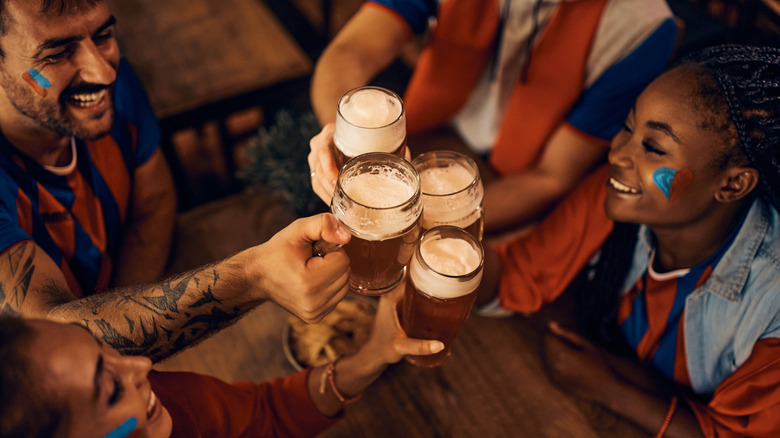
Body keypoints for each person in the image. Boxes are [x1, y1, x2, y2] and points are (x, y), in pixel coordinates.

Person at [0, 0, 353, 362]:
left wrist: (122, 313)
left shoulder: (110, 90)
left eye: (104, 34)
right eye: (57, 54)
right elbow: (54, 340)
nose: (103, 73)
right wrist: (252, 277)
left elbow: (154, 204)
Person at [495, 44, 780, 437]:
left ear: (732, 184)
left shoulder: (772, 303)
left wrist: (609, 389)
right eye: (628, 128)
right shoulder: (621, 195)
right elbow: (520, 273)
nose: (618, 153)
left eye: (654, 148)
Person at [308, 0, 678, 235]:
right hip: (425, 136)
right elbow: (349, 51)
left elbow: (551, 178)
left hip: (510, 185)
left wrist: (421, 220)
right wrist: (339, 131)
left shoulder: (642, 28)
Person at [0, 284, 444, 438]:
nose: (141, 366)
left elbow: (267, 416)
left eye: (103, 350)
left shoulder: (170, 408)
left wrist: (372, 357)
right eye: (111, 388)